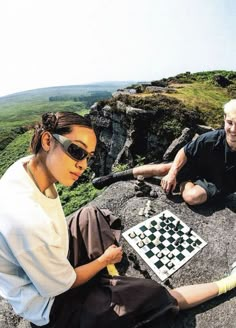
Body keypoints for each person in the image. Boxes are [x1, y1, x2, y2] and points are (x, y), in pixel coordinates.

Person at [0, 111, 236, 328]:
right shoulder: (27, 220)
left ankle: (107, 283)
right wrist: (104, 260)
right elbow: (59, 286)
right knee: (154, 296)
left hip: (54, 261)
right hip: (52, 303)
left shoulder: (25, 165)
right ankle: (230, 281)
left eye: (88, 156)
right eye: (76, 151)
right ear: (47, 140)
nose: (82, 164)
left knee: (90, 215)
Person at [92, 99, 236, 206]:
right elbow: (184, 152)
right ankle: (113, 177)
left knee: (192, 197)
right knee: (164, 168)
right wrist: (172, 174)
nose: (233, 130)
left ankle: (184, 181)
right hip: (200, 166)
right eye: (230, 122)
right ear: (224, 119)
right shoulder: (212, 138)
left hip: (216, 180)